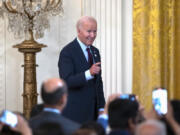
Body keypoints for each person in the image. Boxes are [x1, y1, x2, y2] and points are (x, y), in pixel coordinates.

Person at [58, 16, 105, 123]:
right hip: (75, 113)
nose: (92, 35)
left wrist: (101, 107)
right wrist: (89, 73)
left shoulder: (95, 51)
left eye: (95, 31)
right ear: (79, 31)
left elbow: (99, 83)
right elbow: (66, 81)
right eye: (89, 31)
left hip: (94, 113)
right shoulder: (67, 52)